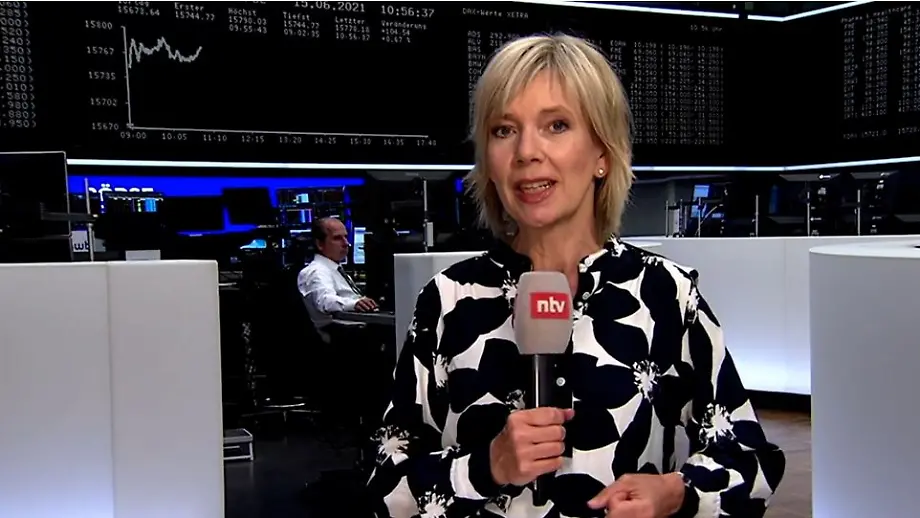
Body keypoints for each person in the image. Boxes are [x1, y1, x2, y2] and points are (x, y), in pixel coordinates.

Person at [366, 34, 785, 518]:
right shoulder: (448, 300)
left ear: (603, 154)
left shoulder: (666, 293)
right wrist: (485, 467)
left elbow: (753, 464)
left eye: (557, 125)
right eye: (504, 130)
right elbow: (386, 490)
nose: (526, 151)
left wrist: (678, 492)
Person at [298, 217, 377, 341]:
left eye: (345, 237)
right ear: (319, 244)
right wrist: (355, 304)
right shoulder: (316, 271)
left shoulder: (334, 268)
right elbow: (325, 300)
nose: (346, 243)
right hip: (342, 338)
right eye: (337, 238)